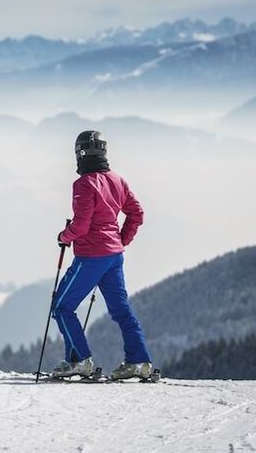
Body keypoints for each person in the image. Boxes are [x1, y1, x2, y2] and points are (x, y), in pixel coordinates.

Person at [51, 130, 152, 380]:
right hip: (114, 256)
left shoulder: (84, 184)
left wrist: (64, 236)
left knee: (62, 307)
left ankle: (79, 361)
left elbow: (82, 225)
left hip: (91, 257)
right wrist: (120, 240)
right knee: (121, 311)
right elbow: (136, 213)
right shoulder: (117, 180)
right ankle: (138, 362)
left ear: (80, 153)